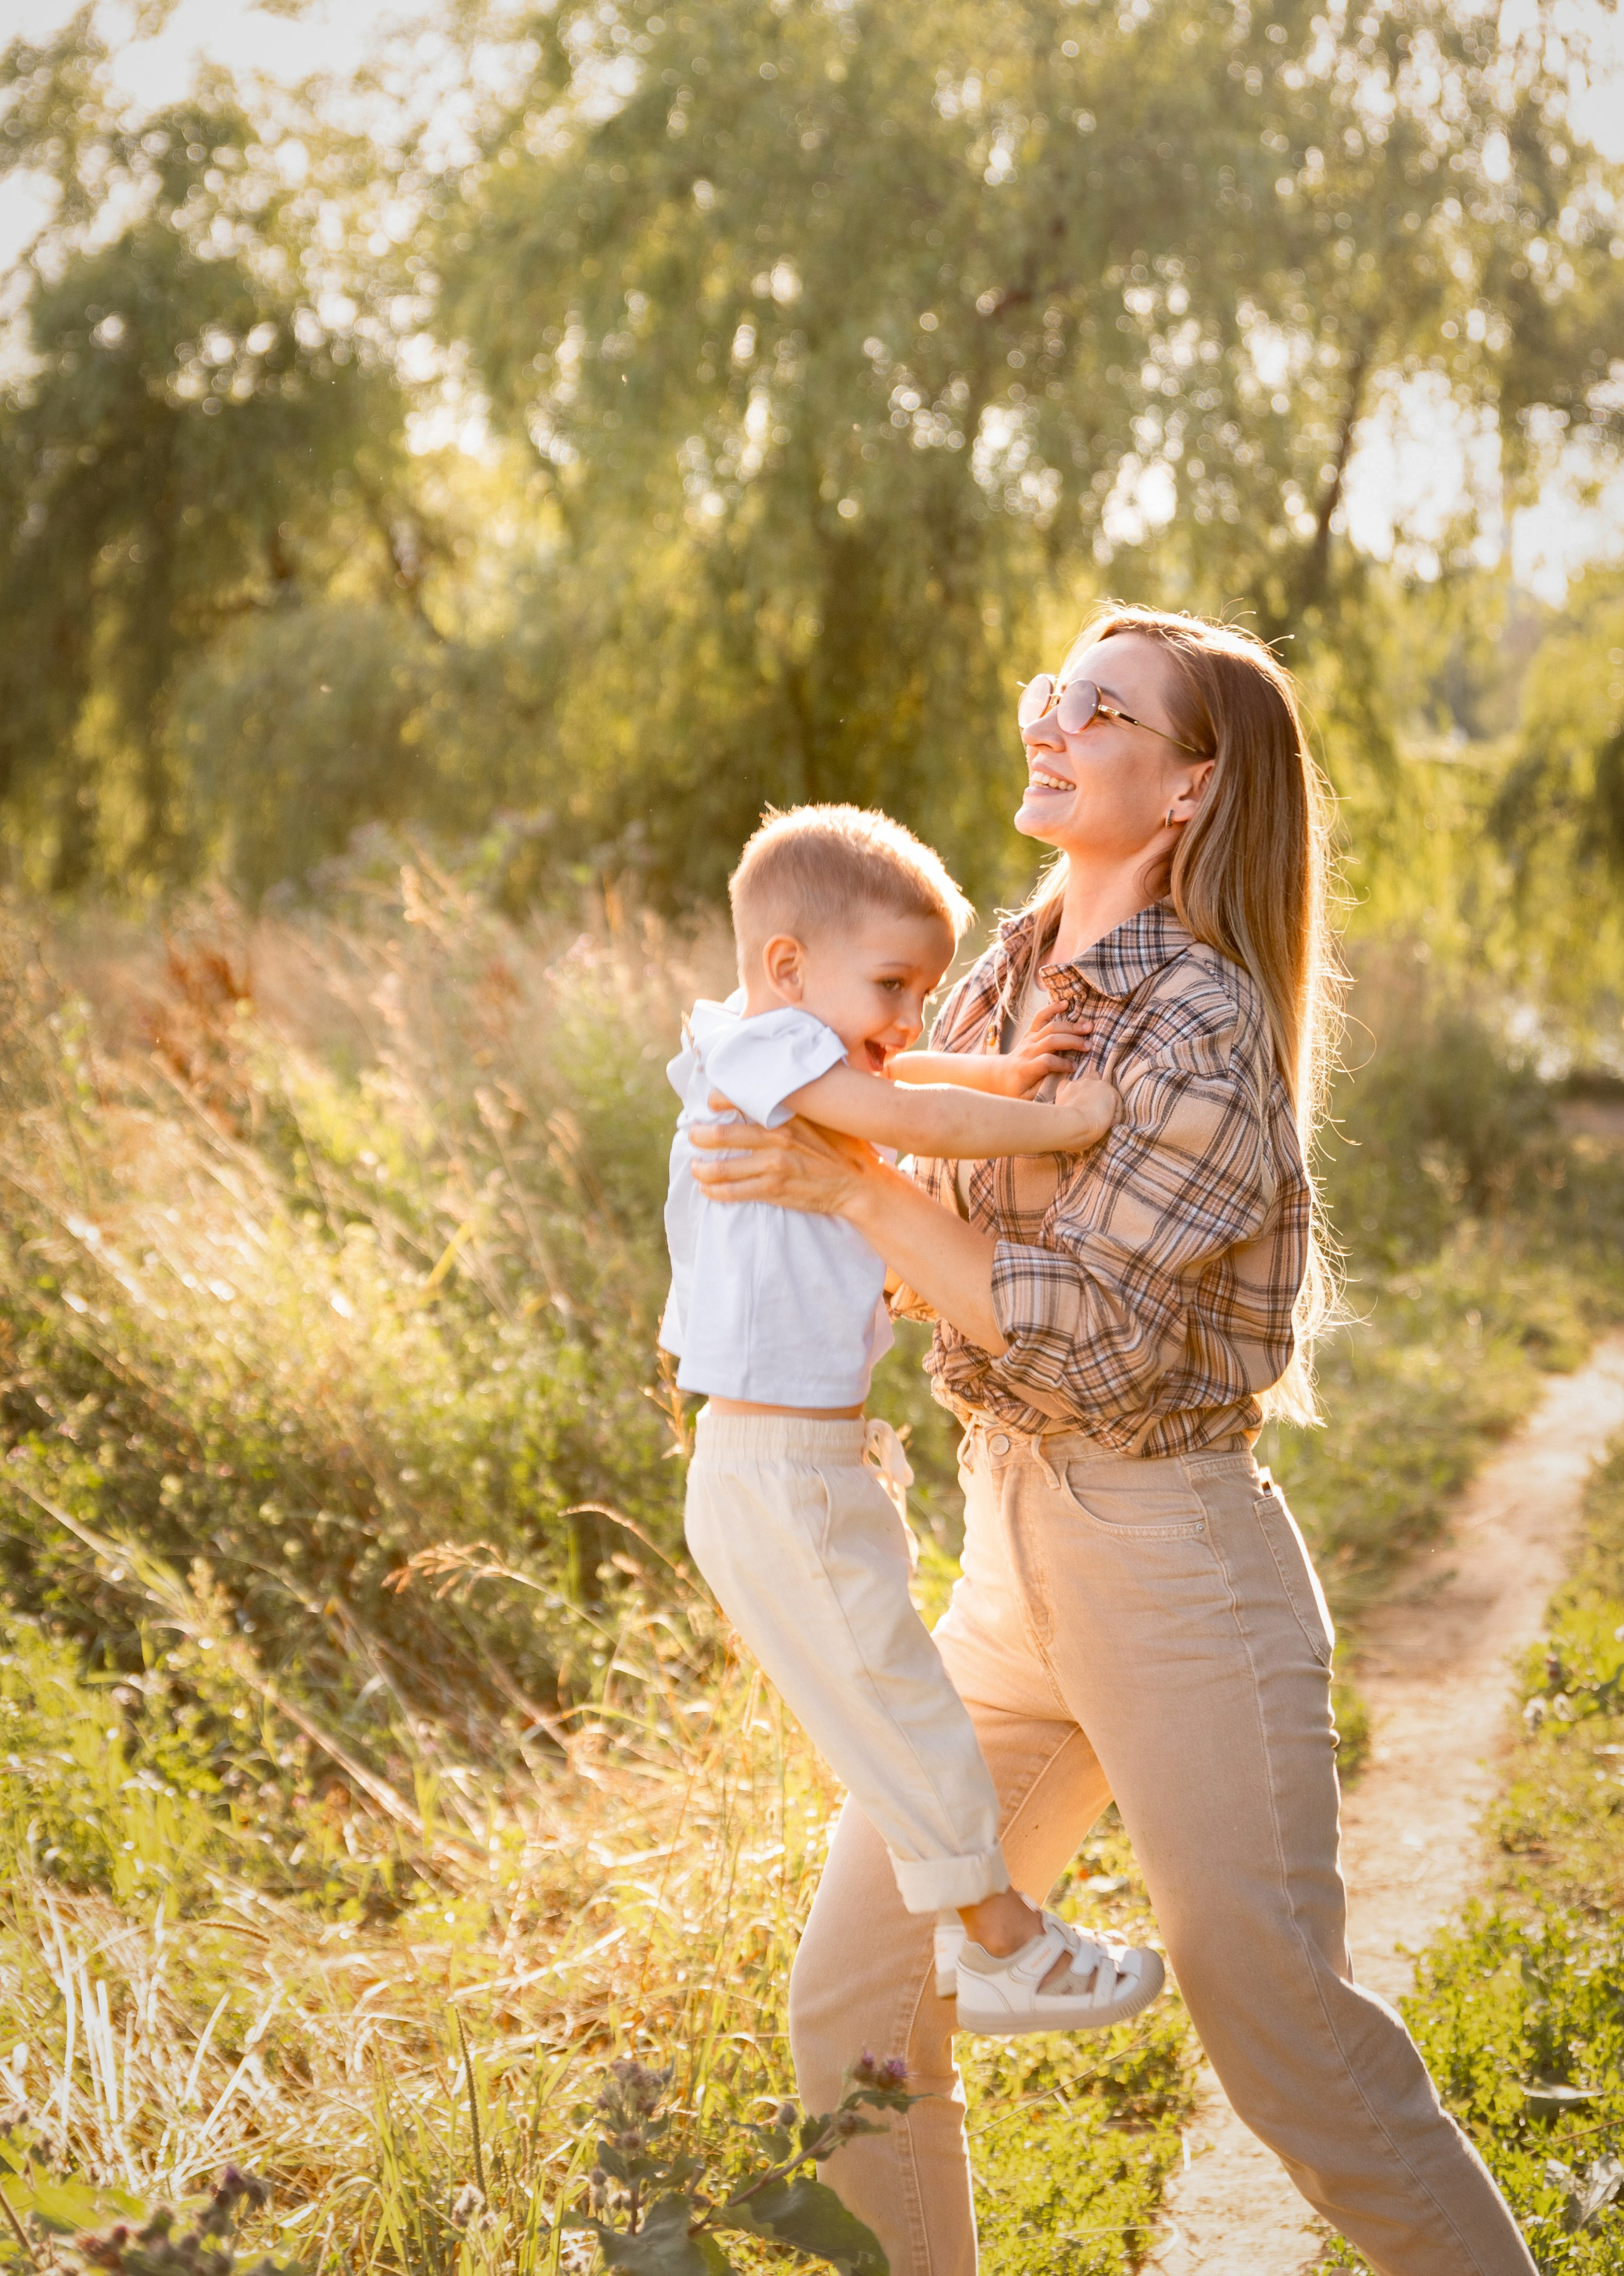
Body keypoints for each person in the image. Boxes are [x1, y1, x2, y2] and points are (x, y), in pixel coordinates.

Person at [688, 610, 1536, 2276]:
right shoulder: (1010, 972)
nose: (1052, 723)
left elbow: (1075, 1318)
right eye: (1050, 694)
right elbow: (927, 1230)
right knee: (858, 2011)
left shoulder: (1206, 1030)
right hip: (1009, 1558)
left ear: (1191, 787)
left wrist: (847, 1182)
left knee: (1287, 2044)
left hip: (1168, 1567)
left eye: (1103, 707)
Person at [664, 803, 1165, 2033]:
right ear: (785, 966)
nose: (906, 1021)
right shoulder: (761, 1053)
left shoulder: (776, 1051)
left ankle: (976, 1933)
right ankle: (998, 1940)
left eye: (922, 993)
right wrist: (1058, 1119)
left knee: (888, 1700)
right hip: (777, 1467)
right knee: (897, 1702)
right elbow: (913, 1118)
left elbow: (911, 1081)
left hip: (801, 1461)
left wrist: (999, 1072)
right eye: (890, 985)